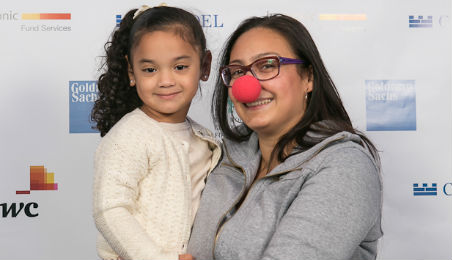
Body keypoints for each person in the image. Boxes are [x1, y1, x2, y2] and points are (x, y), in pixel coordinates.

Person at [187, 14, 382, 260]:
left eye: (267, 65)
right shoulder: (220, 156)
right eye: (237, 72)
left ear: (308, 78)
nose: (247, 85)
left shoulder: (344, 166)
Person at [91, 5, 221, 260]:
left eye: (180, 67)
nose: (165, 80)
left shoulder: (204, 139)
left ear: (204, 65)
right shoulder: (129, 136)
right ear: (132, 72)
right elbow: (110, 209)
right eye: (150, 69)